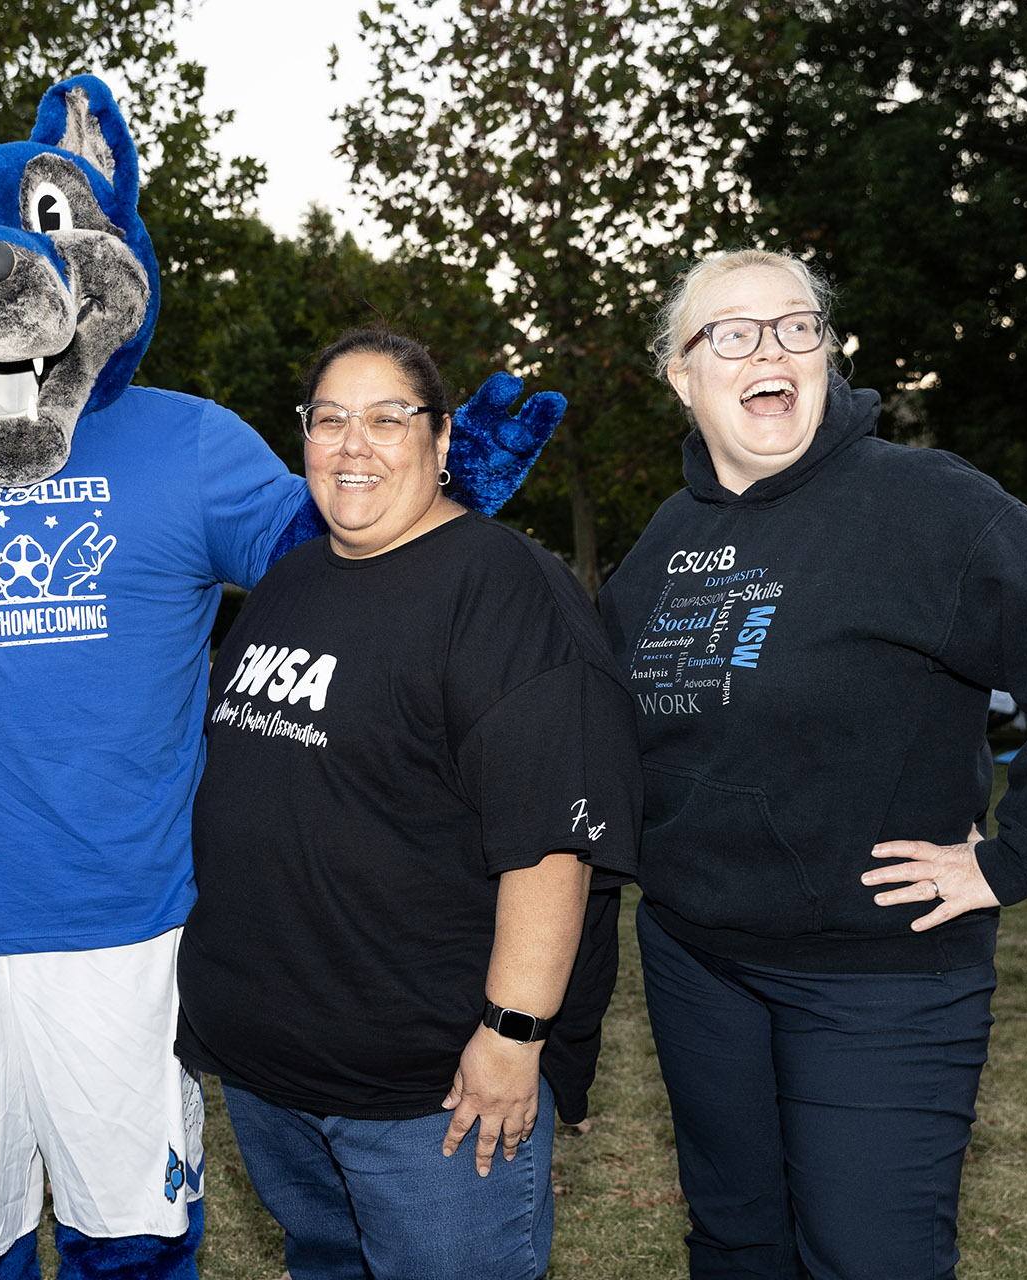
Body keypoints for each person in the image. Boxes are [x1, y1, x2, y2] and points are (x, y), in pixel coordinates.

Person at [595, 249, 1027, 1279]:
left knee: (871, 1258)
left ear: (828, 353)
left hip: (877, 978)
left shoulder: (923, 503)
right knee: (736, 1243)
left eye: (795, 325)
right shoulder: (667, 540)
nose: (769, 347)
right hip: (695, 964)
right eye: (731, 331)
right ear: (681, 374)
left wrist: (1012, 857)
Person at [177, 330, 642, 1280]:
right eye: (330, 420)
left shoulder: (503, 588)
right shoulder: (291, 581)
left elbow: (552, 845)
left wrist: (515, 1039)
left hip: (429, 1091)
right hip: (276, 1076)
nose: (355, 445)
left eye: (389, 418)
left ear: (442, 443)